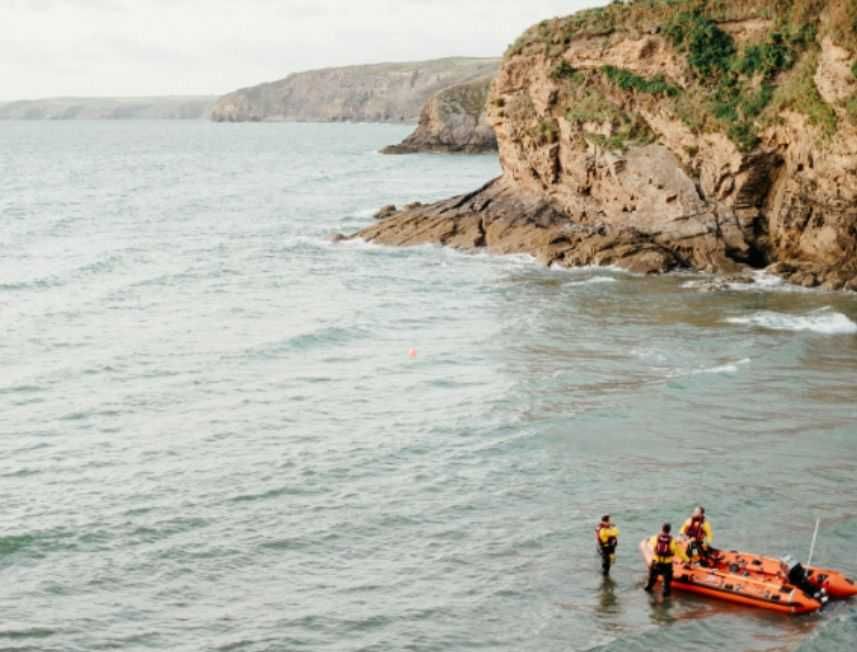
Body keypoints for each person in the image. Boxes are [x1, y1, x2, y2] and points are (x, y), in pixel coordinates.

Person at [644, 523, 688, 597]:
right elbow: (680, 553)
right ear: (669, 530)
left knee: (649, 584)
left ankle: (648, 599)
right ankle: (665, 602)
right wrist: (687, 560)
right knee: (666, 587)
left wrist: (647, 541)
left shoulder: (655, 538)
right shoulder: (673, 541)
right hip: (667, 565)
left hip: (656, 563)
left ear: (662, 529)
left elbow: (648, 543)